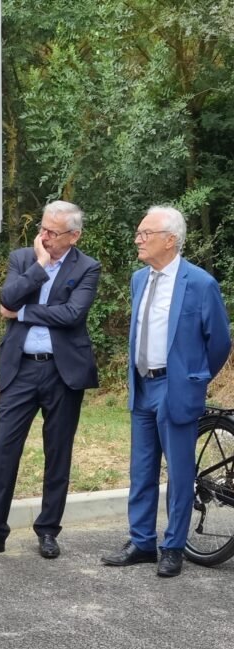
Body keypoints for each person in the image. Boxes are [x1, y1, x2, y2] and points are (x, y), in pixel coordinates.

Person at [0, 200, 100, 561]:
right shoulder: (24, 258)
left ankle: (48, 530)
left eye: (53, 233)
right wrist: (41, 264)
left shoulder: (87, 267)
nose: (44, 236)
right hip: (21, 368)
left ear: (74, 236)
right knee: (3, 449)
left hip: (62, 372)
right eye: (42, 229)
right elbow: (6, 297)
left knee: (58, 452)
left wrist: (24, 313)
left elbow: (73, 314)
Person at [102, 207, 231, 577]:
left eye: (145, 233)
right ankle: (141, 541)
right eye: (139, 233)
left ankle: (172, 546)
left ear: (170, 239)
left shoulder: (200, 283)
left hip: (176, 388)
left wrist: (196, 378)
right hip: (143, 384)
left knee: (179, 471)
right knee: (141, 469)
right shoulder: (139, 279)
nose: (138, 239)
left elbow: (219, 341)